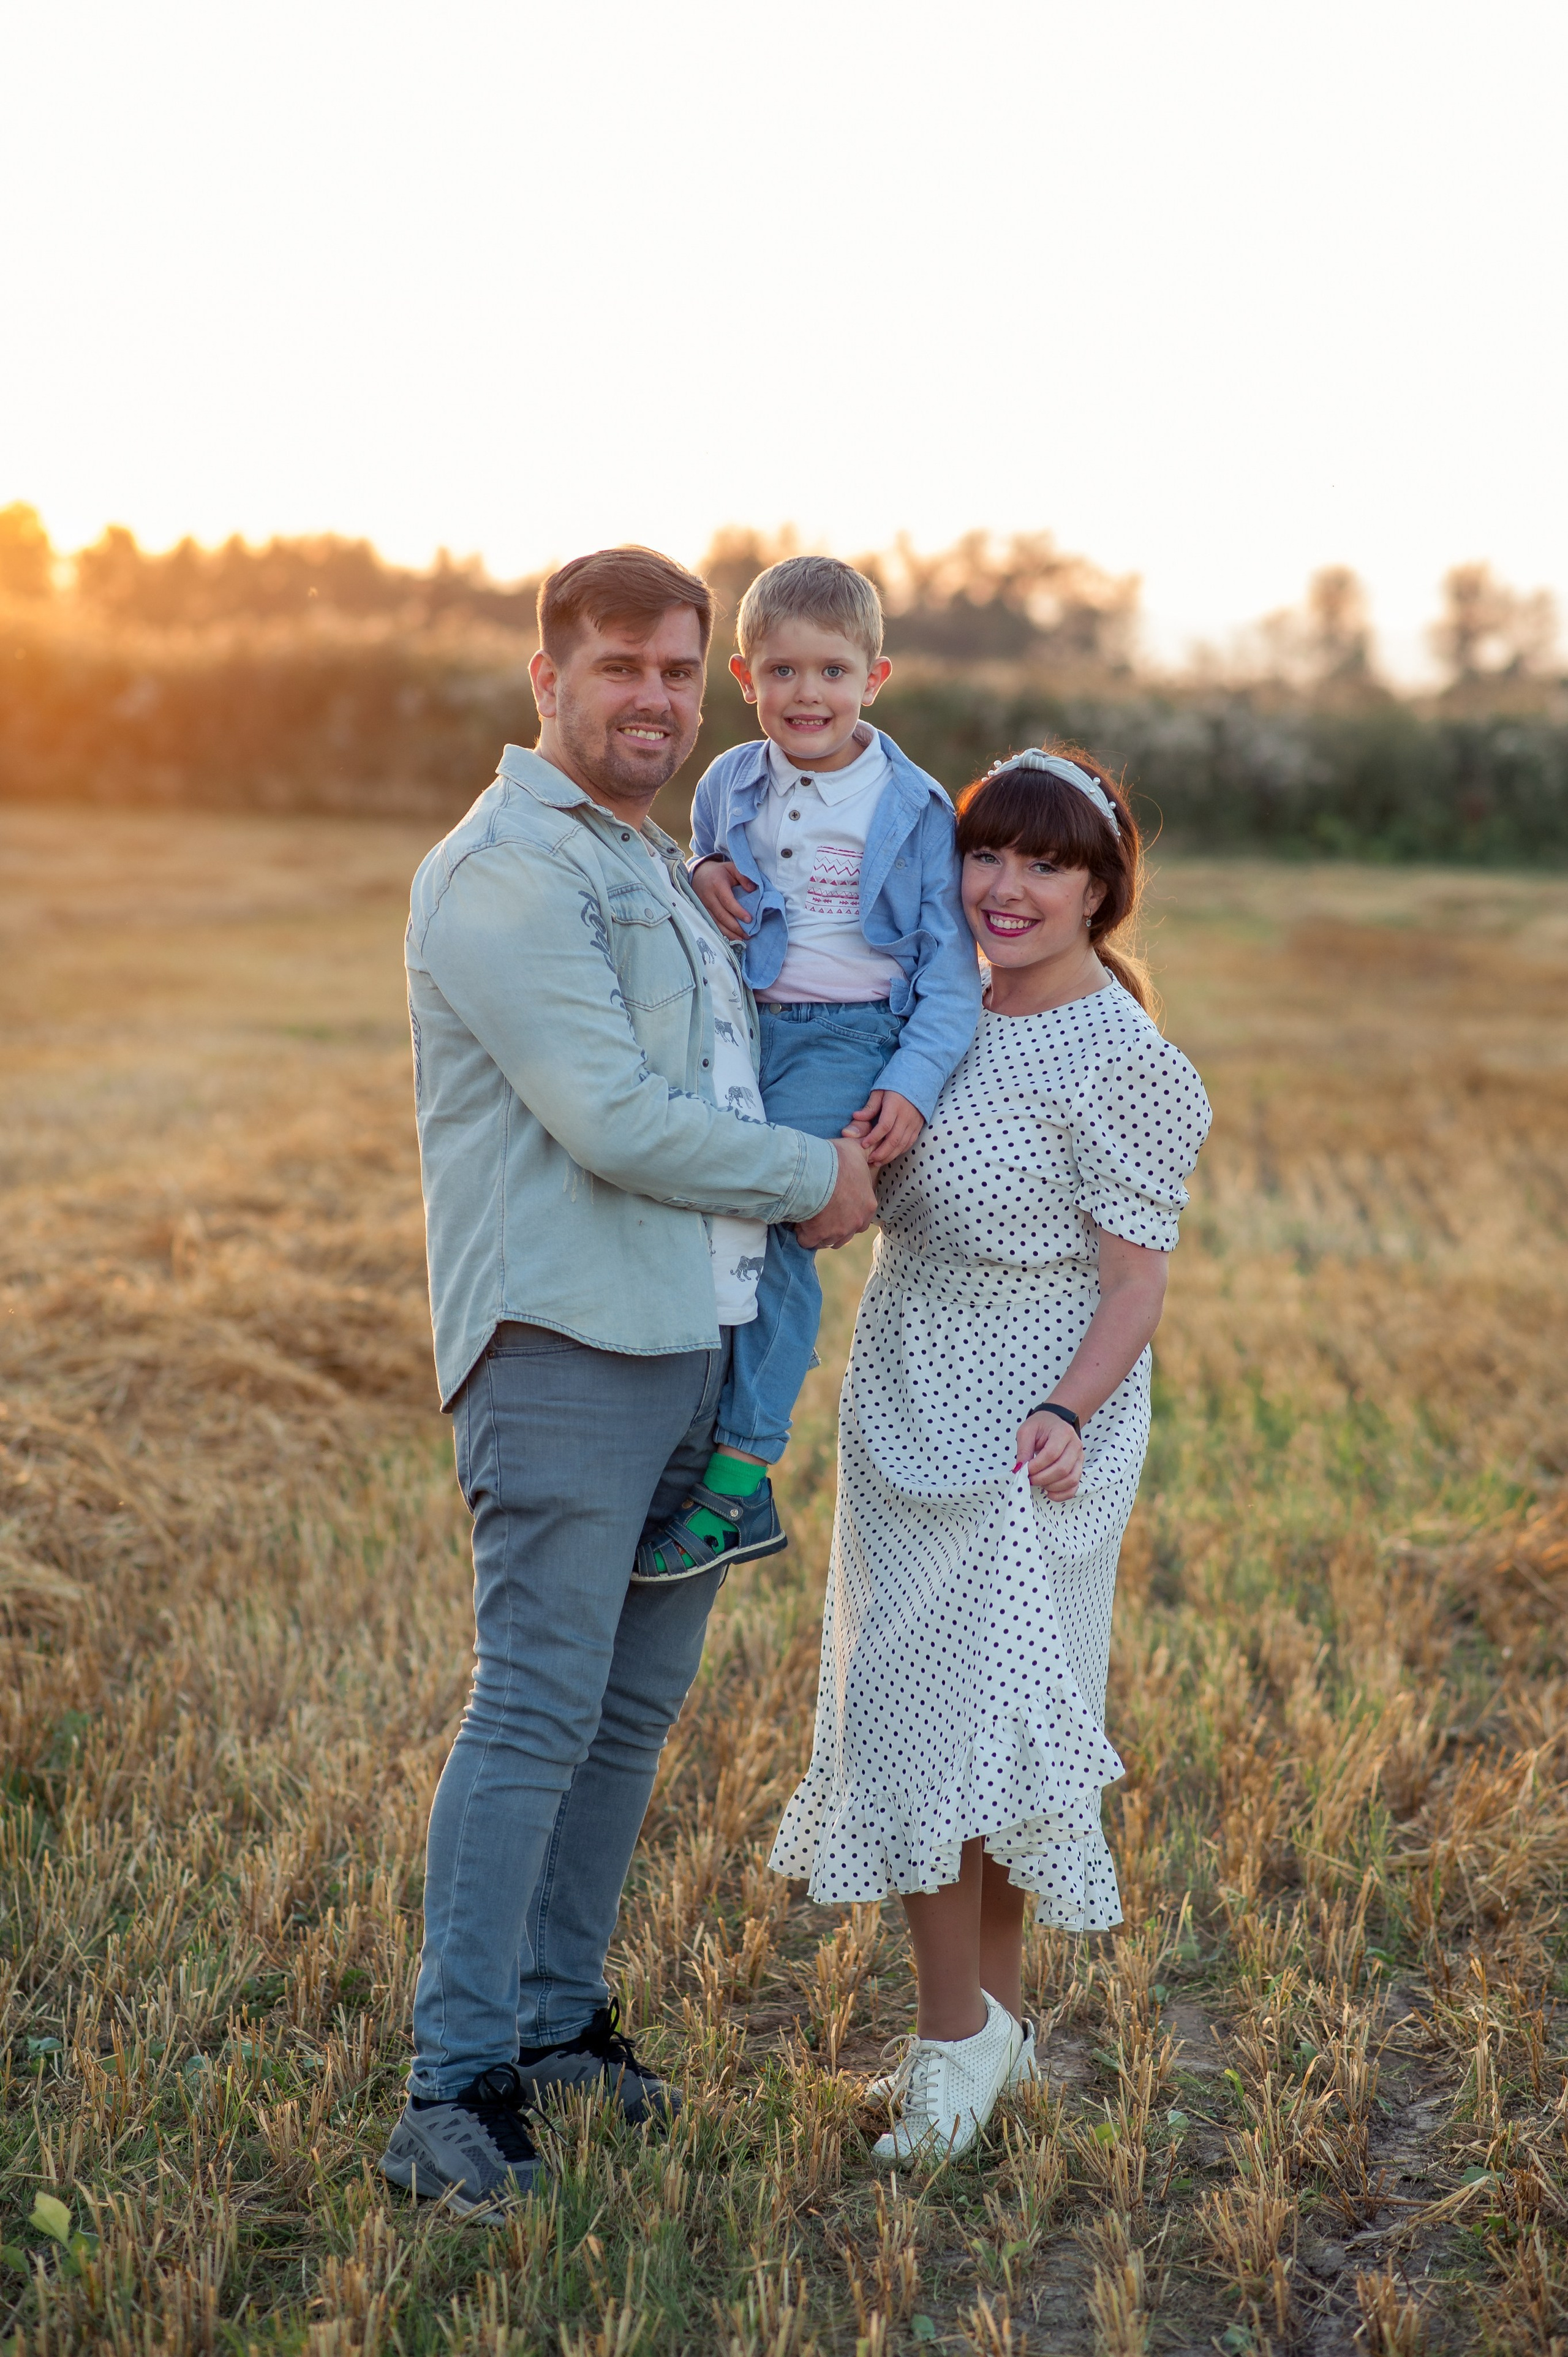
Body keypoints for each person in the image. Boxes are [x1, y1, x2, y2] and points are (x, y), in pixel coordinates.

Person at [380, 547, 878, 2217]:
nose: (653, 698)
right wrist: (813, 1177)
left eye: (676, 668)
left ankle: (555, 2022)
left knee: (625, 1719)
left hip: (697, 1344)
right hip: (565, 1351)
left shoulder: (657, 864)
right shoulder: (506, 871)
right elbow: (608, 1119)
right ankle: (452, 2089)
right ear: (547, 679)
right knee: (534, 1707)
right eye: (618, 667)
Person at [769, 746, 1212, 2163]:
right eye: (983, 853)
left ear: (1099, 889)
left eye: (1043, 863)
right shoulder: (933, 1004)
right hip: (905, 1382)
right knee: (933, 1716)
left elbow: (1134, 1286)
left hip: (1037, 1420)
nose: (1004, 887)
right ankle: (991, 2038)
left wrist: (1067, 1412)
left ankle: (949, 2039)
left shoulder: (1124, 1061)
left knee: (964, 1721)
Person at [631, 556, 981, 1584]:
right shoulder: (730, 781)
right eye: (783, 671)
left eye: (833, 672)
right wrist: (701, 867)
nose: (808, 695)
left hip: (848, 1037)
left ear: (876, 678)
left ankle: (737, 1477)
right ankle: (686, 1420)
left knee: (778, 1216)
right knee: (692, 1201)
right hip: (741, 1028)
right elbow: (697, 863)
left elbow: (949, 973)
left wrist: (910, 1085)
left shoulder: (913, 807)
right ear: (745, 677)